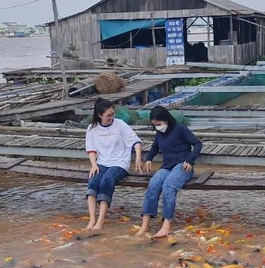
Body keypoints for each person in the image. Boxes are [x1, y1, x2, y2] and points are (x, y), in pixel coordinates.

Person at [135, 106, 203, 239]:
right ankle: (145, 224)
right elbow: (155, 147)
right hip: (167, 166)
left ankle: (166, 224)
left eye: (159, 124)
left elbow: (198, 144)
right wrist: (149, 159)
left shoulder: (181, 129)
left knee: (168, 186)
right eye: (154, 125)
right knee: (153, 184)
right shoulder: (159, 133)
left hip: (183, 166)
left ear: (166, 120)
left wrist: (190, 160)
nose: (157, 127)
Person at [84, 98, 143, 230]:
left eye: (113, 114)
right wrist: (94, 165)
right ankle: (92, 219)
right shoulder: (92, 128)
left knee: (106, 180)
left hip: (119, 162)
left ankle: (100, 221)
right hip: (102, 162)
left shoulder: (120, 124)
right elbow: (91, 150)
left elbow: (136, 142)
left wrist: (138, 158)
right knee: (93, 180)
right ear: (100, 115)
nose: (112, 117)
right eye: (108, 115)